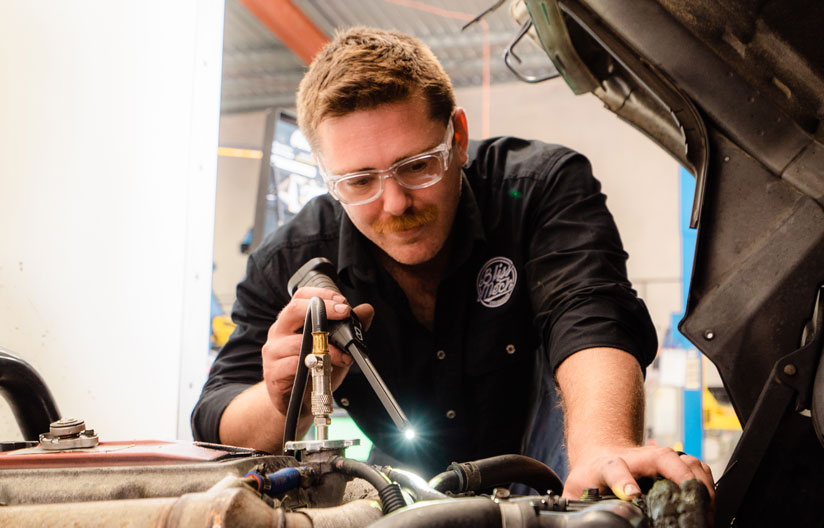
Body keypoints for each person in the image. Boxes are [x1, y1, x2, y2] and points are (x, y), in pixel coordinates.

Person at [193, 26, 713, 502]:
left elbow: (588, 312)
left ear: (457, 138)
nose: (394, 203)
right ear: (328, 177)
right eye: (359, 182)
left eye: (416, 166)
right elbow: (215, 419)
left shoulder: (539, 187)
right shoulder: (289, 258)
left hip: (544, 457)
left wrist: (603, 450)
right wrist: (284, 398)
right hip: (404, 477)